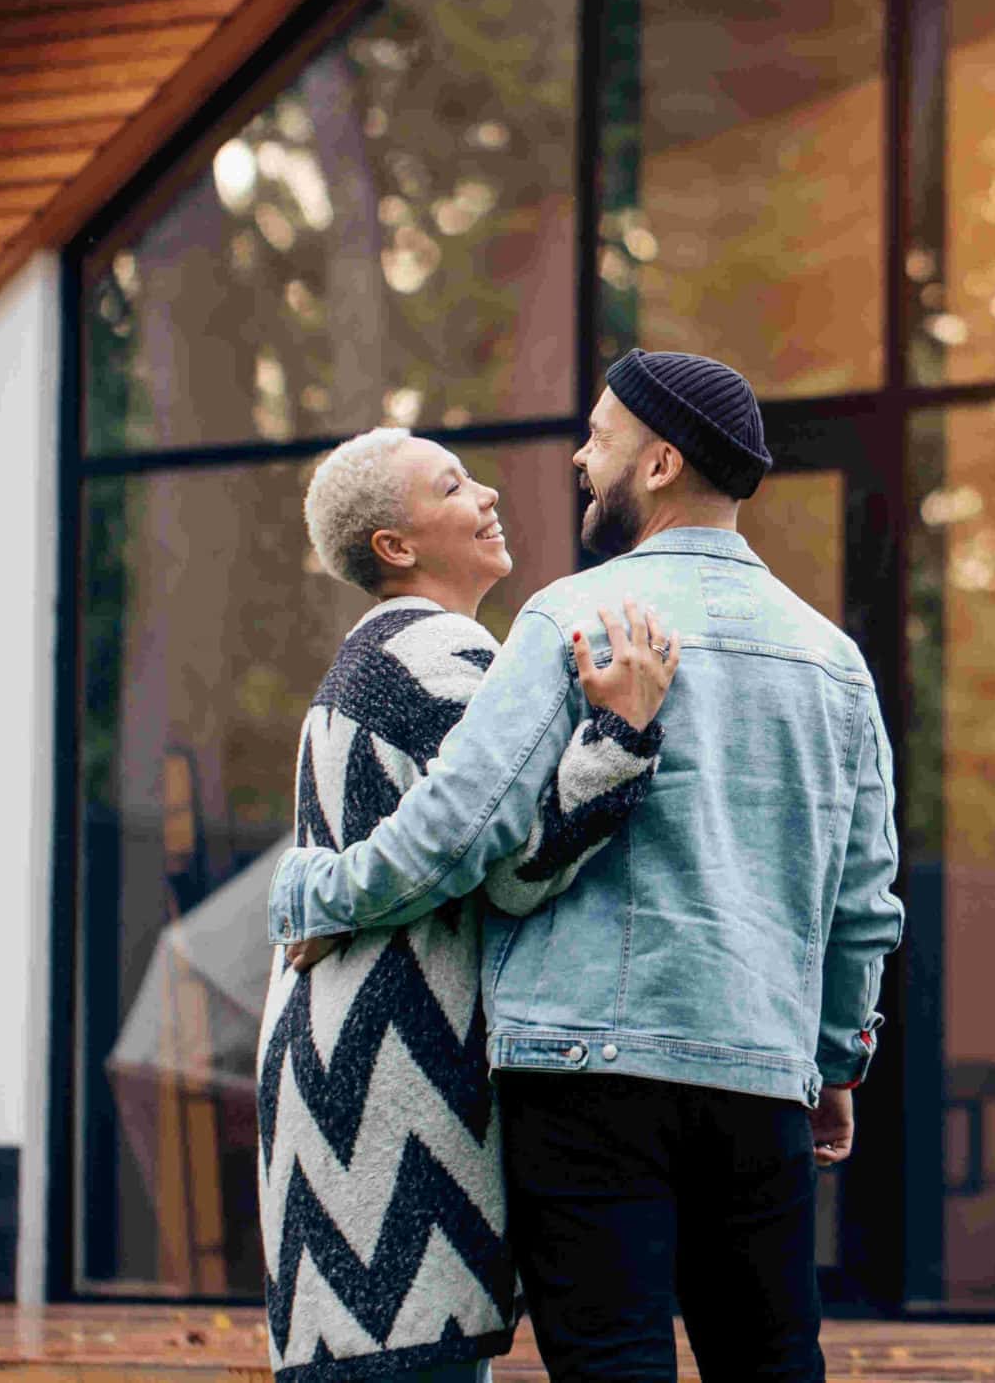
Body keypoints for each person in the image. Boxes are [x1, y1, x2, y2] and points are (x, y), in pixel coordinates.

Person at [271, 350, 906, 1383]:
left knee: (611, 1362)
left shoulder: (570, 617)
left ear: (657, 465)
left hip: (584, 1077)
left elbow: (455, 831)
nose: (578, 457)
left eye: (600, 437)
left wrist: (316, 888)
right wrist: (836, 1061)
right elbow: (862, 899)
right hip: (758, 1068)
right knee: (773, 1360)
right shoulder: (832, 660)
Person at [257, 426, 681, 1383]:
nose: (486, 493)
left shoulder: (373, 654)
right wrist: (622, 731)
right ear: (395, 547)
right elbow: (513, 865)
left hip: (346, 1068)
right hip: (394, 1068)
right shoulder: (436, 648)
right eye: (451, 486)